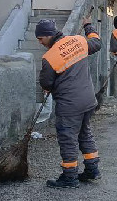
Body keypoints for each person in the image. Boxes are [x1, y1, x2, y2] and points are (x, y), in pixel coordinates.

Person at [36, 16, 102, 189]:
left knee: (67, 139)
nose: (40, 42)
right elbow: (96, 42)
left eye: (41, 38)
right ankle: (92, 169)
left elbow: (46, 83)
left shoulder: (49, 58)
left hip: (70, 104)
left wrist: (49, 86)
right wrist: (88, 25)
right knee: (84, 134)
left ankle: (70, 177)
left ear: (49, 35)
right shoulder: (79, 41)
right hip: (88, 100)